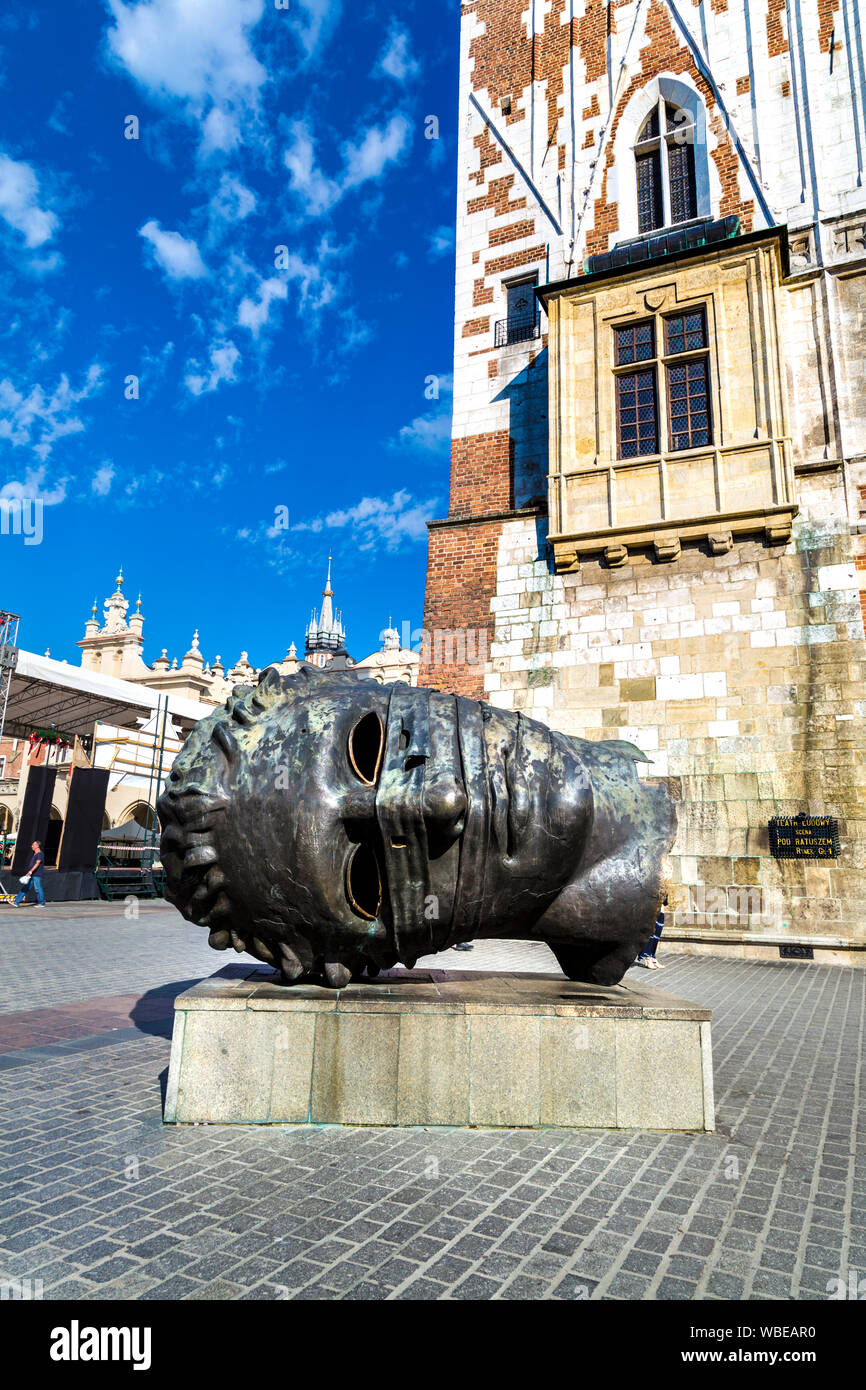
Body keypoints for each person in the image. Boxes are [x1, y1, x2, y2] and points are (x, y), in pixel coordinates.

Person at [635, 895, 666, 969]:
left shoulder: (664, 884)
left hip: (660, 909)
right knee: (650, 934)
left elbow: (665, 901)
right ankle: (647, 958)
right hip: (650, 909)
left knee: (657, 935)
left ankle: (652, 957)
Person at [12, 841, 45, 907]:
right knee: (25, 887)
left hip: (37, 875)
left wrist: (30, 871)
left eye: (33, 845)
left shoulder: (40, 854)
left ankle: (41, 903)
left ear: (37, 846)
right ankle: (16, 902)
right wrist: (30, 872)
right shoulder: (35, 854)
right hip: (32, 875)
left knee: (38, 889)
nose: (31, 846)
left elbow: (37, 863)